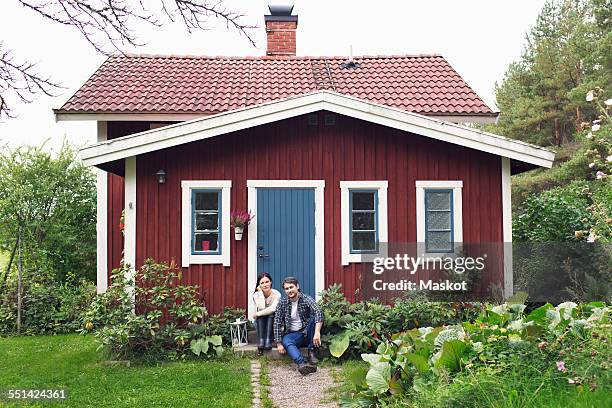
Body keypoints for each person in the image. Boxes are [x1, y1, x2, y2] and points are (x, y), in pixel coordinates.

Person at [273, 277, 323, 375]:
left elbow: (318, 311)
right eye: (286, 289)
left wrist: (317, 332)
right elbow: (277, 322)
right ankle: (302, 364)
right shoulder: (282, 303)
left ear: (297, 286)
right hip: (293, 334)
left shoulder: (306, 298)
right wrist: (278, 343)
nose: (289, 290)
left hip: (307, 332)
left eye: (291, 287)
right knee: (286, 341)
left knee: (313, 320)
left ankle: (312, 352)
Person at [252, 272, 281, 355]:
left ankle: (268, 340)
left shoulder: (277, 294)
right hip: (260, 322)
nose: (265, 285)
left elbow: (273, 309)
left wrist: (257, 314)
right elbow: (261, 306)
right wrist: (261, 293)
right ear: (259, 285)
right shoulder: (256, 295)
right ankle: (261, 341)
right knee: (261, 316)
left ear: (271, 282)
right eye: (262, 283)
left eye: (267, 282)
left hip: (272, 322)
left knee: (270, 314)